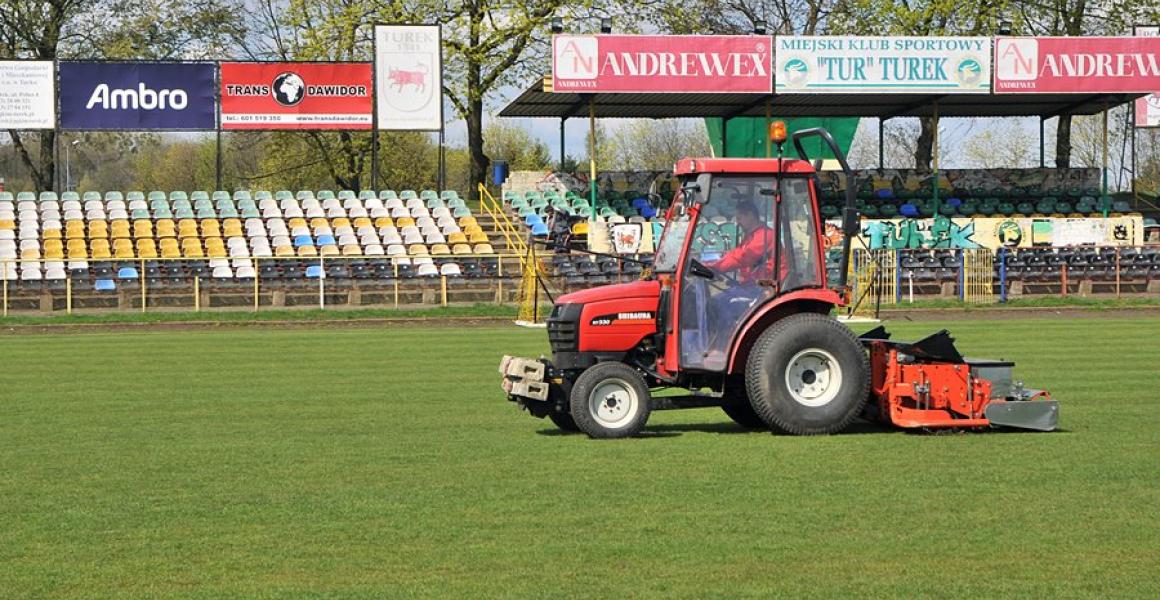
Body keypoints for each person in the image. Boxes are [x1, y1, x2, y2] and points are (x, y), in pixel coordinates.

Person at [696, 200, 775, 367]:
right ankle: (712, 346)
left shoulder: (764, 236)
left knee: (723, 303)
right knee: (716, 301)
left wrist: (714, 267)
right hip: (751, 286)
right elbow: (735, 254)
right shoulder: (751, 236)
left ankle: (721, 349)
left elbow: (743, 258)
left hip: (763, 288)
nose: (738, 222)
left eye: (740, 218)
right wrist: (709, 265)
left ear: (750, 215)